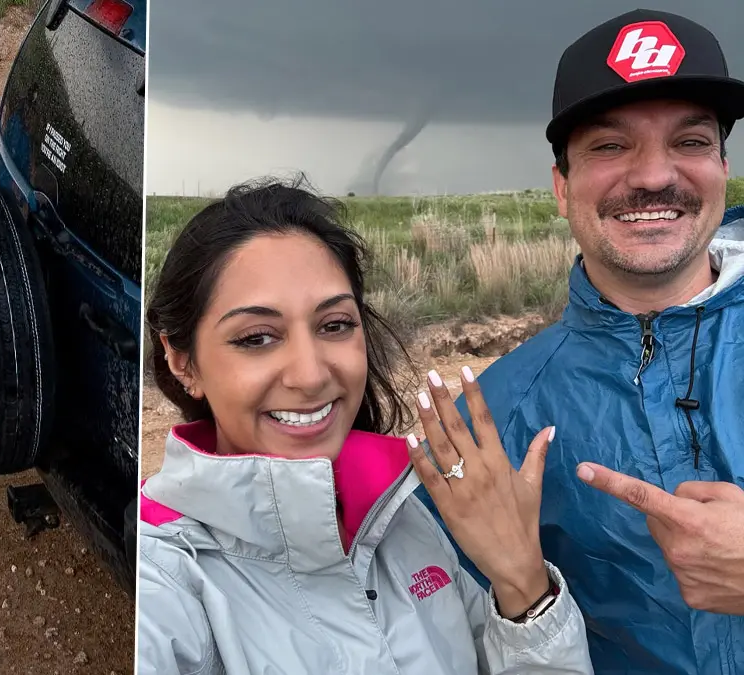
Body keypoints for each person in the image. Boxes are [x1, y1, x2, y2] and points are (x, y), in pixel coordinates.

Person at [136, 177, 593, 674]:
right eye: (256, 337)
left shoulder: (404, 518)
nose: (310, 375)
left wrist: (523, 586)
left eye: (334, 325)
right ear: (183, 362)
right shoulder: (161, 578)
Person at [418, 8, 744, 674]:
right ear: (561, 186)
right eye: (610, 145)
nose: (654, 176)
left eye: (689, 141)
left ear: (723, 165)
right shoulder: (488, 428)